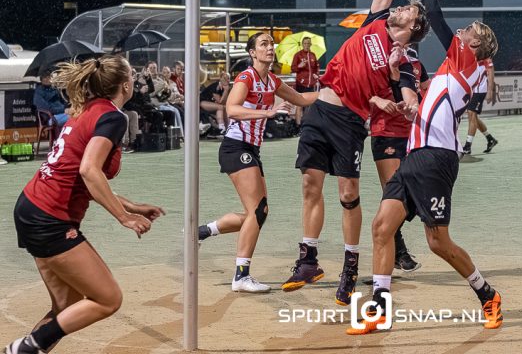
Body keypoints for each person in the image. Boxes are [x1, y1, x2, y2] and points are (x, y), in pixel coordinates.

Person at [283, 0, 447, 306]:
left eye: (407, 9)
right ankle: (308, 259)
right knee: (310, 184)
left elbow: (404, 94)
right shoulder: (374, 20)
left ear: (414, 25)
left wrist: (403, 102)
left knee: (348, 192)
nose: (400, 7)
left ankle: (350, 267)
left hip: (349, 123)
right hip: (322, 109)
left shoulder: (402, 61)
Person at [347, 0, 502, 335]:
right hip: (416, 153)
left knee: (437, 242)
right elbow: (425, 105)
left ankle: (488, 295)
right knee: (382, 227)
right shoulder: (452, 71)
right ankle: (380, 309)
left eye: (469, 31)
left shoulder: (468, 63)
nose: (462, 32)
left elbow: (438, 21)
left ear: (476, 46)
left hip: (436, 158)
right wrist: (409, 106)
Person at [5, 55, 165, 354]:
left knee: (66, 308)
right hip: (49, 217)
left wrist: (131, 206)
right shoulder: (112, 117)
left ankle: (25, 350)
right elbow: (89, 171)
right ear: (126, 85)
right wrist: (124, 217)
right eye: (132, 75)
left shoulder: (89, 109)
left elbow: (82, 178)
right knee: (108, 299)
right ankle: (26, 347)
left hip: (32, 207)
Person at [197, 32, 318, 293]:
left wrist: (336, 92)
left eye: (271, 43)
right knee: (257, 211)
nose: (270, 47)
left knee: (257, 213)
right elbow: (232, 109)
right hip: (235, 147)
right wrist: (268, 112)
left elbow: (302, 99)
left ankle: (203, 232)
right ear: (252, 52)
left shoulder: (272, 80)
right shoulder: (247, 77)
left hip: (251, 149)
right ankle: (241, 276)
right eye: (264, 44)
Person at [369, 46, 429, 272]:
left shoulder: (416, 64)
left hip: (412, 134)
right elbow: (362, 92)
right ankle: (398, 252)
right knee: (394, 194)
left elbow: (426, 90)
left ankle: (394, 249)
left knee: (412, 193)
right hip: (386, 133)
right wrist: (377, 99)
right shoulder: (378, 63)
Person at [462, 58, 498, 155]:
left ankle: (468, 146)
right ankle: (490, 139)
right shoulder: (469, 55)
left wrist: (490, 91)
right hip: (471, 90)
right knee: (473, 117)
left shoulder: (486, 57)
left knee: (471, 114)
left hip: (480, 90)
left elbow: (491, 74)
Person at [290, 36, 320, 126]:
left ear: (311, 44)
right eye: (305, 43)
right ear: (302, 44)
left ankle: (306, 125)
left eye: (308, 43)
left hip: (311, 84)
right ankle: (298, 125)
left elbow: (316, 68)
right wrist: (299, 66)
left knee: (309, 106)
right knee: (300, 105)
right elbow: (293, 68)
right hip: (301, 83)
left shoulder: (313, 55)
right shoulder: (298, 55)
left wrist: (316, 75)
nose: (307, 45)